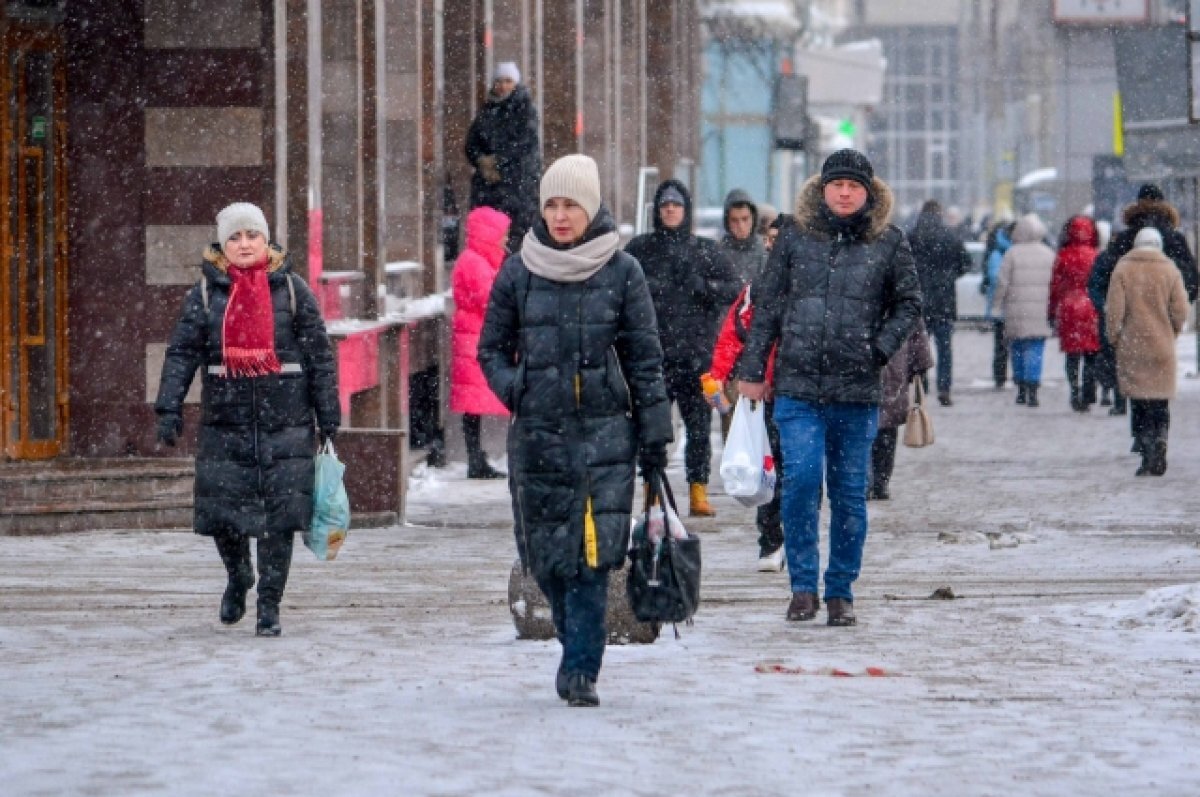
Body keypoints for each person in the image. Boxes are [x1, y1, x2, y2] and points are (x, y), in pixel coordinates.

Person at [477, 154, 672, 707]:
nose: (560, 216)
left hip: (604, 436)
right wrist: (518, 388)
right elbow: (490, 348)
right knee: (546, 559)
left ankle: (582, 667)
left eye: (571, 206)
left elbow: (644, 360)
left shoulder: (623, 271)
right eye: (552, 205)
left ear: (591, 208)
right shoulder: (519, 270)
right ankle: (574, 641)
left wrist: (655, 435)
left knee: (593, 557)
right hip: (537, 436)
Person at [738, 149, 922, 627]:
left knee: (848, 494)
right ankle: (803, 587)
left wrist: (878, 349)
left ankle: (840, 590)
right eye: (836, 184)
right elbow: (767, 305)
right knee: (800, 484)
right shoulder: (795, 237)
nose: (844, 193)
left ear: (868, 192)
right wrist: (753, 369)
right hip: (798, 386)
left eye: (853, 186)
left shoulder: (888, 242)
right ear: (822, 190)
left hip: (856, 391)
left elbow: (909, 304)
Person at [155, 202, 339, 637]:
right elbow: (181, 353)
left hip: (286, 424)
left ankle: (269, 606)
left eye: (252, 235)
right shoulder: (205, 295)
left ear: (265, 240)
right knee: (225, 516)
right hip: (226, 425)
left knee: (279, 522)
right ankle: (239, 576)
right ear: (222, 244)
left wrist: (328, 415)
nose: (244, 244)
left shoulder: (292, 291)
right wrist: (168, 408)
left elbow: (319, 356)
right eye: (234, 237)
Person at [625, 180, 740, 517]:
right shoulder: (641, 249)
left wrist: (704, 287)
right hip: (653, 357)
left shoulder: (705, 250)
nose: (671, 210)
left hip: (696, 357)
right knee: (652, 429)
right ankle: (652, 492)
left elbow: (733, 289)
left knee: (699, 429)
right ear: (657, 211)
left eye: (676, 205)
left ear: (686, 210)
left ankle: (698, 491)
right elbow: (619, 289)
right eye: (665, 205)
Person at [1088, 184, 1198, 416]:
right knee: (1160, 367)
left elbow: (1102, 276)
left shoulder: (1123, 239)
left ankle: (1125, 405)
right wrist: (1177, 311)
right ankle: (1158, 419)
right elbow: (1191, 278)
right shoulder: (1175, 239)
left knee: (1127, 362)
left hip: (1130, 316)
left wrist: (1108, 307)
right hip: (1163, 317)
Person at [708, 284, 783, 572]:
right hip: (769, 392)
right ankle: (773, 539)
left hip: (803, 389)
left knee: (800, 471)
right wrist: (718, 374)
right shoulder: (762, 288)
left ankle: (793, 539)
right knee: (770, 465)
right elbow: (735, 331)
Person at [1105, 227, 1189, 476]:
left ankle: (1146, 449)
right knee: (1160, 400)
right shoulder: (1170, 269)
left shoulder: (1123, 269)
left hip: (1133, 345)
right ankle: (1161, 435)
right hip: (1162, 345)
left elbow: (1114, 311)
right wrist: (1172, 331)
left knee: (1139, 400)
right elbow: (1181, 310)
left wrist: (1115, 338)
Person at [450, 206, 511, 479]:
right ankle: (475, 459)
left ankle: (477, 458)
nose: (505, 239)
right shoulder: (474, 263)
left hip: (475, 335)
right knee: (473, 402)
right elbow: (490, 299)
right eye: (502, 234)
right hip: (475, 337)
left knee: (473, 403)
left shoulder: (478, 260)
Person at [465, 61, 541, 251]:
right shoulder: (487, 110)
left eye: (508, 81)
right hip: (488, 190)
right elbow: (471, 144)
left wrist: (498, 163)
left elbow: (523, 147)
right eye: (499, 81)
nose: (503, 86)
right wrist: (482, 161)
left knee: (515, 239)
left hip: (517, 189)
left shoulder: (525, 111)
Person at [908, 199, 971, 406]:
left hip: (919, 300)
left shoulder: (912, 236)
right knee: (945, 349)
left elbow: (901, 266)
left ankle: (921, 385)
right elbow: (966, 263)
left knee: (918, 348)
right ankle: (944, 388)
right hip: (944, 300)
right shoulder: (950, 236)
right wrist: (949, 276)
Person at [994, 213, 1055, 407]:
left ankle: (1021, 388)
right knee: (1036, 349)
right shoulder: (1049, 254)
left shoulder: (1012, 253)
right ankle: (1033, 389)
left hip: (1016, 309)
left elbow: (1002, 282)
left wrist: (997, 305)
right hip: (1040, 310)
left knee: (1017, 349)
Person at [869, 321, 933, 500]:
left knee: (868, 429)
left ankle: (869, 481)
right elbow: (917, 330)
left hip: (875, 365)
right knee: (886, 430)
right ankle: (880, 481)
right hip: (894, 368)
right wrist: (919, 367)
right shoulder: (902, 308)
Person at [1048, 216, 1101, 412]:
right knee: (1091, 353)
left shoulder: (1063, 256)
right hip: (1091, 307)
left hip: (1069, 308)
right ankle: (1088, 390)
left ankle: (1074, 389)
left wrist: (1052, 311)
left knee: (1072, 355)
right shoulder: (1096, 255)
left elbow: (1055, 287)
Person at [982, 220, 1015, 388]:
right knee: (1003, 344)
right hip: (1006, 307)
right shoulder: (1000, 252)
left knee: (1003, 345)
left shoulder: (1000, 251)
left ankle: (1002, 376)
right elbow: (996, 278)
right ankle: (1001, 376)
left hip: (1009, 307)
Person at [719, 188, 767, 286]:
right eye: (734, 220)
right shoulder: (718, 252)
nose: (741, 226)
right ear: (727, 222)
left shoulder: (765, 250)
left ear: (753, 218)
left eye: (745, 219)